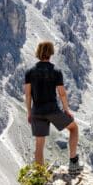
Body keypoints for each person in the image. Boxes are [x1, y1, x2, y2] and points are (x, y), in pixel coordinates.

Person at [24, 41, 81, 175]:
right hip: (52, 110)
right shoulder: (56, 71)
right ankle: (73, 163)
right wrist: (66, 110)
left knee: (39, 144)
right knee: (73, 128)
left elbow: (28, 95)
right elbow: (62, 93)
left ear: (38, 53)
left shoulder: (29, 72)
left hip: (37, 111)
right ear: (51, 53)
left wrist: (29, 112)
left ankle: (40, 176)